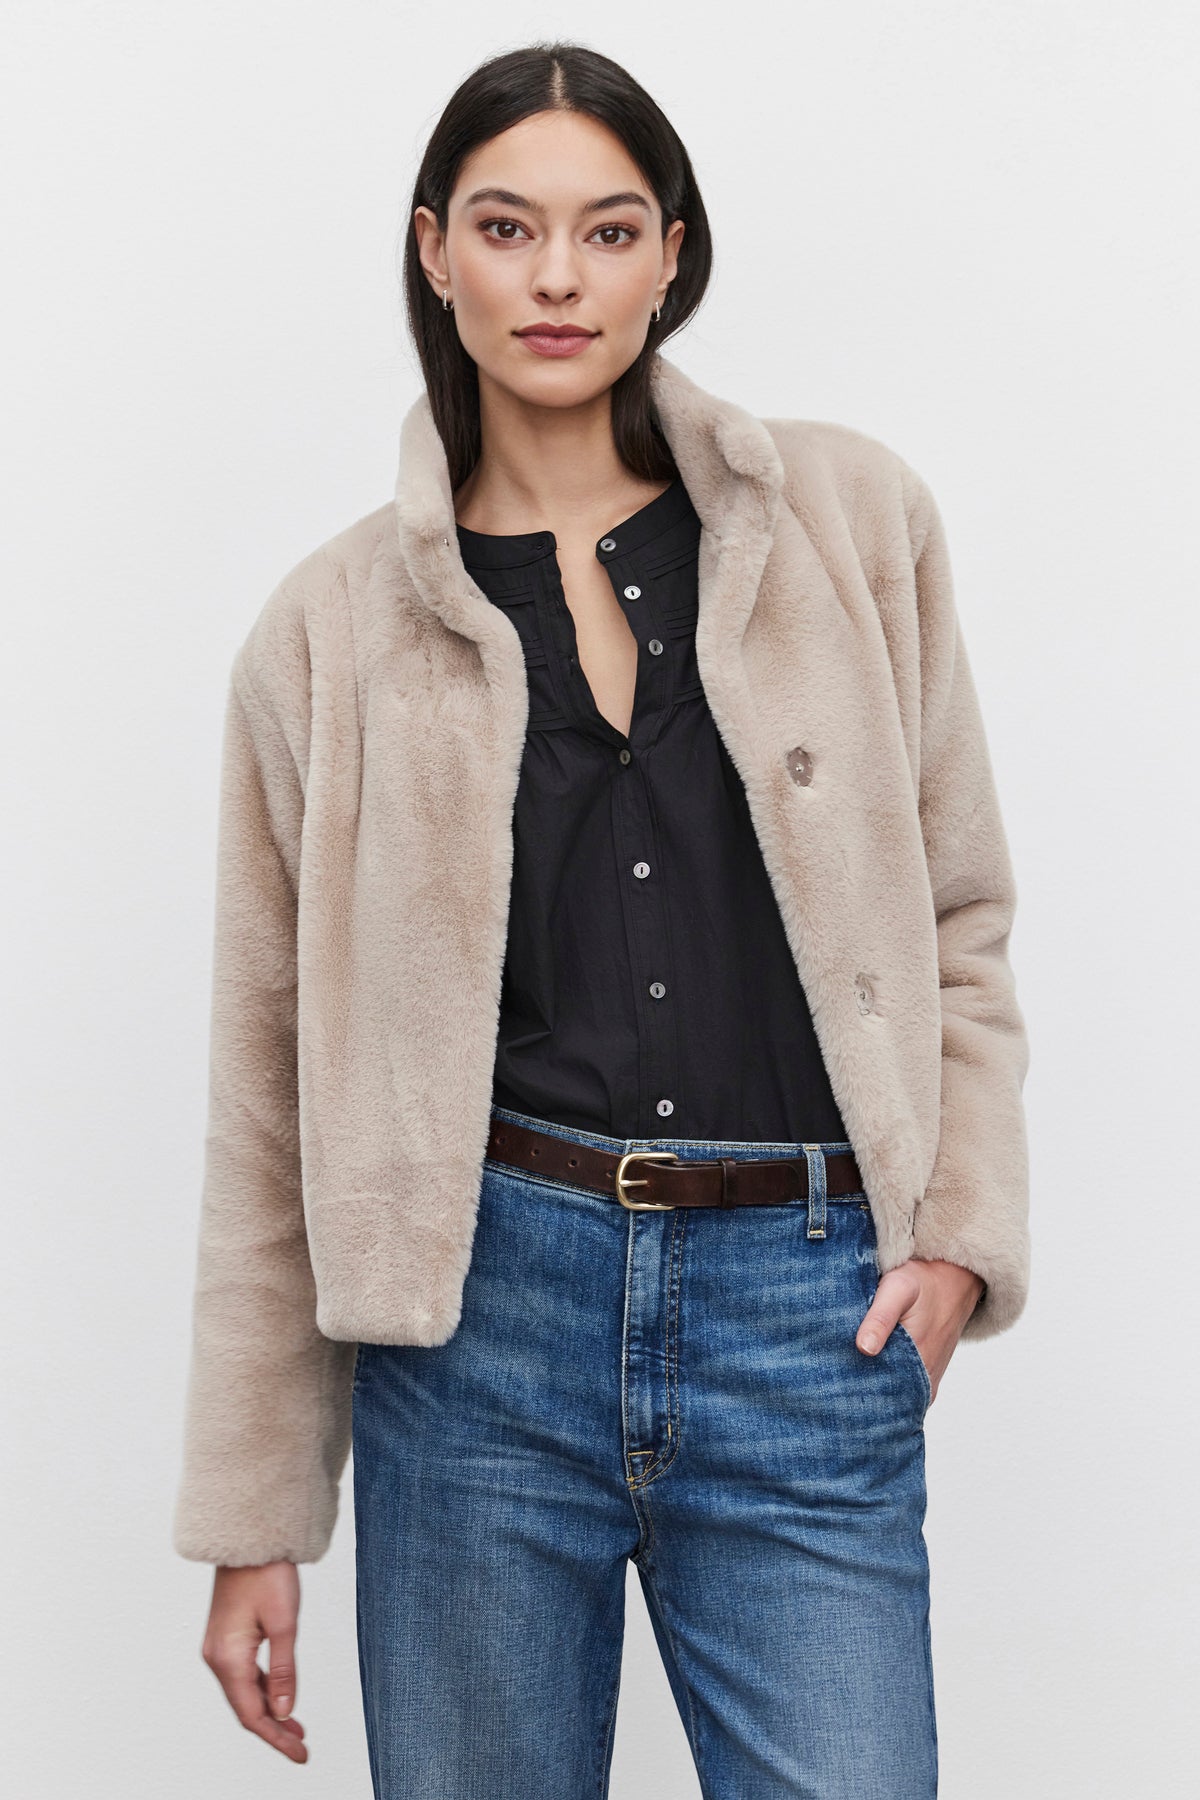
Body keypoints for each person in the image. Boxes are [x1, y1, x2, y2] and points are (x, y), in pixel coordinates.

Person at [173, 40, 1030, 1800]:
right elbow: (268, 1100)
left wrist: (956, 1239)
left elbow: (963, 914)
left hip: (806, 1323)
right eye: (507, 227)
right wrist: (256, 1515)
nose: (557, 278)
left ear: (670, 252)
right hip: (480, 1336)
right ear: (435, 251)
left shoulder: (851, 526)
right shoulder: (322, 638)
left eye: (607, 229)